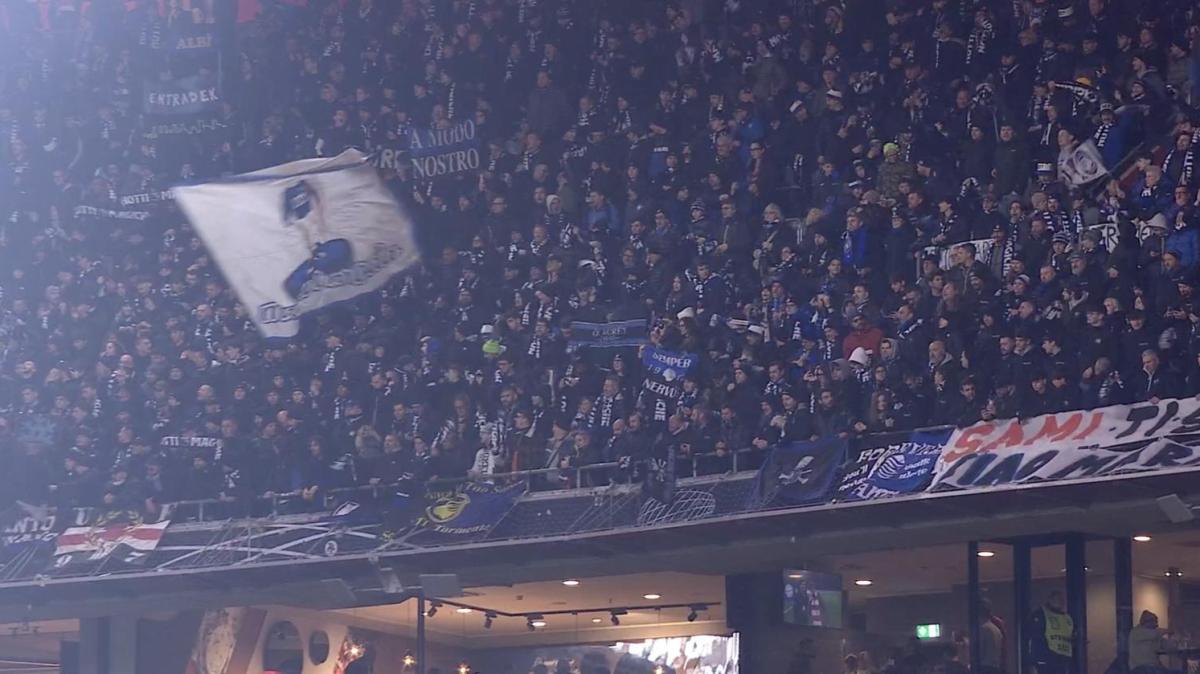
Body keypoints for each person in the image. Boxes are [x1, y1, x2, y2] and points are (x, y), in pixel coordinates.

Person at [1025, 591, 1074, 674]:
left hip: (1063, 659)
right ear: (1050, 600)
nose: (1060, 602)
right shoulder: (1041, 614)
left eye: (1062, 600)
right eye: (1057, 599)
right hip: (1046, 658)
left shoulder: (1067, 618)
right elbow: (1033, 636)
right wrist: (1036, 660)